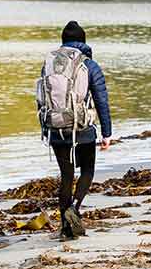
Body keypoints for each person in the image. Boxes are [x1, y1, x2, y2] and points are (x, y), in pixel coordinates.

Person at [35, 20, 112, 239]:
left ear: (63, 42)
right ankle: (74, 209)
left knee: (66, 175)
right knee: (87, 171)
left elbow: (41, 98)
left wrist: (46, 128)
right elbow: (101, 100)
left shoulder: (49, 63)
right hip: (83, 129)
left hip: (56, 128)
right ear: (84, 41)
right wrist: (107, 133)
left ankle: (65, 227)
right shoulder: (89, 64)